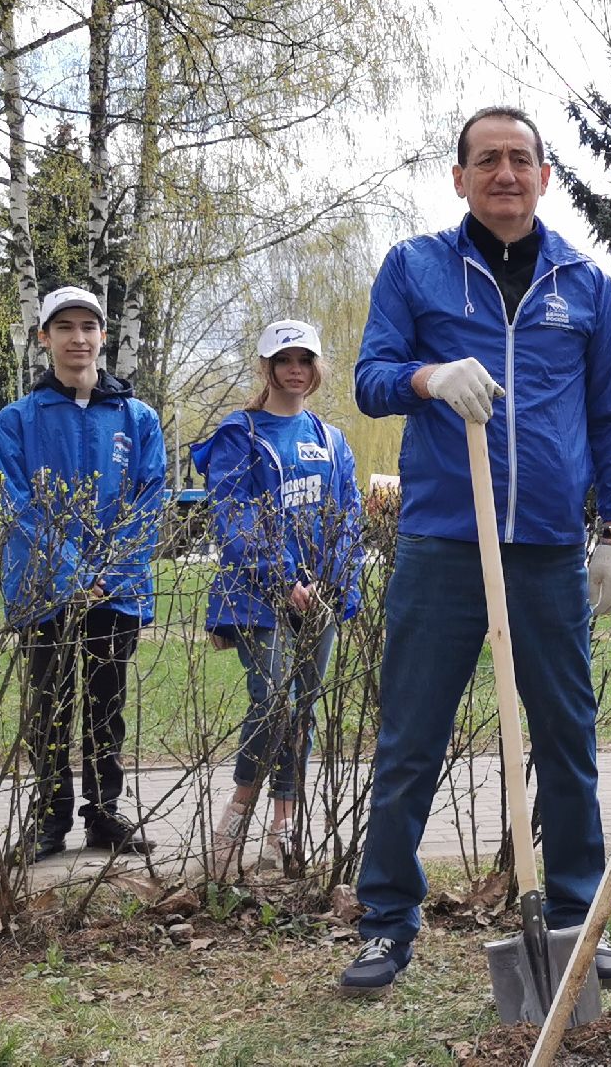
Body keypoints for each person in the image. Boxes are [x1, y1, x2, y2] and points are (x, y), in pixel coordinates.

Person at [340, 106, 611, 998]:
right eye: (487, 160)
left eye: (521, 159)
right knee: (409, 741)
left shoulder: (584, 284)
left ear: (546, 175)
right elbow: (369, 378)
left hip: (548, 548)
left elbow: (609, 416)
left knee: (568, 738)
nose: (505, 173)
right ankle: (388, 920)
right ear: (460, 177)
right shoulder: (415, 267)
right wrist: (428, 378)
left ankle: (576, 916)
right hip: (442, 541)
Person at [0, 285, 166, 862]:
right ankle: (48, 822)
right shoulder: (17, 419)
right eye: (64, 327)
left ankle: (103, 814)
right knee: (47, 707)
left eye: (88, 327)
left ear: (103, 337)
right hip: (44, 588)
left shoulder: (137, 417)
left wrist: (106, 571)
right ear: (44, 338)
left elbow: (149, 498)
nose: (78, 338)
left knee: (105, 705)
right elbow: (15, 502)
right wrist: (70, 573)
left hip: (113, 591)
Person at [192, 319, 365, 880]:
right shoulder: (237, 434)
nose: (295, 369)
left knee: (303, 710)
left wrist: (334, 584)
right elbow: (233, 514)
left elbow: (348, 517)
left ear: (317, 369)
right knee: (273, 702)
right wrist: (281, 576)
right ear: (266, 367)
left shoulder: (331, 440)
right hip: (258, 598)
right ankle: (235, 819)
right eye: (284, 359)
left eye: (305, 360)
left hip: (319, 600)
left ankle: (280, 828)